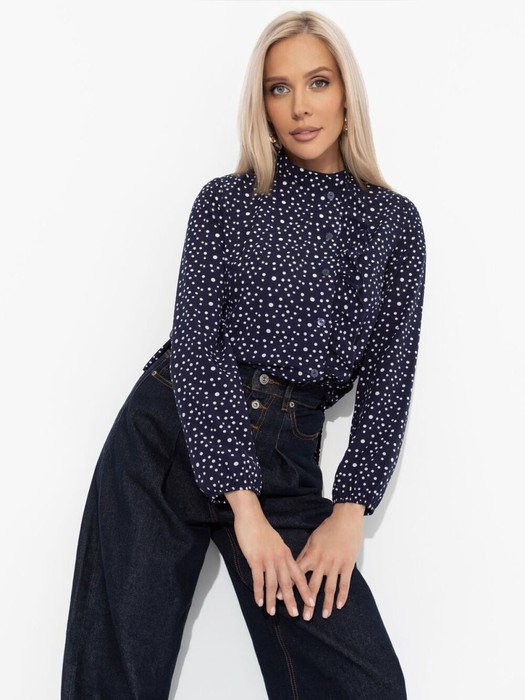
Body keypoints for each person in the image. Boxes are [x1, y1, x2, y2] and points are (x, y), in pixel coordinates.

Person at [61, 9, 426, 699]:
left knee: (365, 687)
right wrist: (244, 510)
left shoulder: (392, 223)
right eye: (277, 88)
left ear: (346, 93)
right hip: (169, 431)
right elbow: (197, 346)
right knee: (116, 678)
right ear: (261, 104)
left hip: (286, 453)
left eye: (317, 82)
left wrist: (349, 511)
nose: (299, 106)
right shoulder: (225, 203)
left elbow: (390, 377)